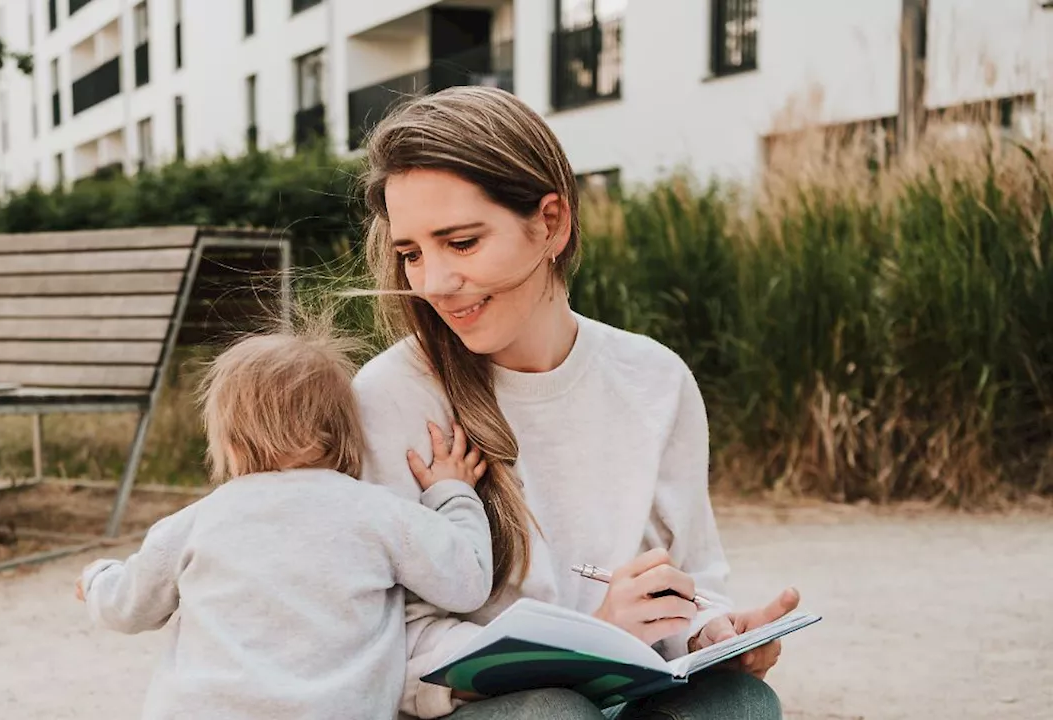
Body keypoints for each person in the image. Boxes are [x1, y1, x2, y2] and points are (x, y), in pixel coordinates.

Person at [351, 86, 801, 720]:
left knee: (740, 704)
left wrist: (711, 633)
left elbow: (694, 578)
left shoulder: (655, 378)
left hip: (619, 698)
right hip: (481, 711)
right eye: (411, 254)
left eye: (461, 243)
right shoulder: (390, 396)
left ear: (551, 224)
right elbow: (379, 641)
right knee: (553, 711)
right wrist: (588, 640)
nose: (432, 283)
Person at [75, 328, 495, 720]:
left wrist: (97, 579)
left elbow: (126, 608)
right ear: (344, 434)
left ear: (231, 445)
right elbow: (467, 581)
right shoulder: (378, 513)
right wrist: (451, 492)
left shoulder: (197, 522)